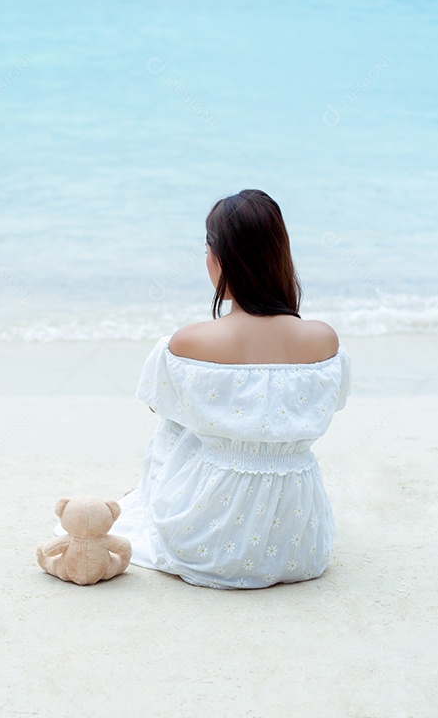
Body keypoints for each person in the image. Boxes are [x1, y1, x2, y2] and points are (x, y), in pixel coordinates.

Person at [105, 189, 352, 588]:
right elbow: (331, 404)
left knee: (177, 425)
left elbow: (159, 407)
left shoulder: (188, 343)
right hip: (301, 544)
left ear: (219, 259)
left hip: (207, 538)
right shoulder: (324, 341)